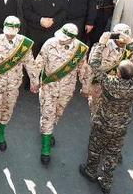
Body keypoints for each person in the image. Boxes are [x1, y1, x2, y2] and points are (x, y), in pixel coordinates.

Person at [79, 31, 133, 193]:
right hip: (121, 126)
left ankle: (90, 171)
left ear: (117, 73)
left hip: (102, 123)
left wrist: (101, 43)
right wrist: (131, 42)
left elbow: (94, 64)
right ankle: (106, 181)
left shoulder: (110, 83)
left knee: (95, 149)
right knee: (113, 153)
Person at [0, 15, 39, 163]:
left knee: (7, 110)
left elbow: (30, 63)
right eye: (8, 30)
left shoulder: (24, 44)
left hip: (13, 84)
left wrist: (34, 81)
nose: (10, 33)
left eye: (13, 30)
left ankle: (1, 134)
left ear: (18, 29)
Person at [34, 23, 91, 165]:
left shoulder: (81, 49)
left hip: (66, 89)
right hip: (48, 86)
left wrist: (86, 87)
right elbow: (38, 63)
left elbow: (83, 69)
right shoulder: (49, 43)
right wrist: (34, 81)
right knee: (48, 113)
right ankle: (46, 148)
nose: (62, 40)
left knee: (57, 113)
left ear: (73, 39)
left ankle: (47, 130)